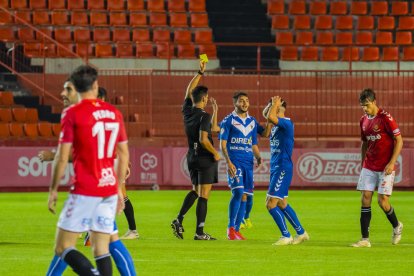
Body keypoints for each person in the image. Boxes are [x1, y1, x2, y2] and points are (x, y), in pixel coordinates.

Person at [45, 82, 136, 276]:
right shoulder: (111, 115)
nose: (63, 94)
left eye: (68, 90)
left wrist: (52, 158)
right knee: (107, 244)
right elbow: (122, 153)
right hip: (107, 188)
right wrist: (118, 186)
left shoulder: (80, 115)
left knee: (65, 244)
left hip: (89, 190)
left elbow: (70, 155)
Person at [171, 60, 221, 240]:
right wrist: (215, 153)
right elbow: (204, 139)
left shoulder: (187, 111)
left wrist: (199, 73)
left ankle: (179, 218)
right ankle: (199, 232)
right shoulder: (204, 116)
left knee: (195, 190)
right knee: (204, 195)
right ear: (205, 99)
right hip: (204, 157)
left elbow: (188, 90)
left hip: (191, 156)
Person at [351, 88, 403, 248]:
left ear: (374, 102)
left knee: (382, 201)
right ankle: (364, 239)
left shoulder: (385, 118)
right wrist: (362, 164)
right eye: (362, 106)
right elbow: (364, 143)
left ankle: (397, 226)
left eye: (367, 105)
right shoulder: (363, 120)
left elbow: (399, 140)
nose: (365, 109)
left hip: (385, 166)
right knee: (365, 198)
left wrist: (392, 162)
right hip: (369, 165)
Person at [262, 96, 309, 246]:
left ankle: (286, 235)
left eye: (273, 105)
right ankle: (301, 233)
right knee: (281, 203)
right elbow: (267, 115)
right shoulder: (276, 125)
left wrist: (275, 104)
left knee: (270, 204)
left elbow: (269, 115)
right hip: (276, 167)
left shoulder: (286, 123)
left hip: (282, 167)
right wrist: (272, 105)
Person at [220, 92, 262, 240]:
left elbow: (254, 143)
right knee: (238, 193)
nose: (244, 103)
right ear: (235, 103)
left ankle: (237, 230)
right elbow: (223, 143)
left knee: (245, 195)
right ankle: (230, 228)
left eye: (246, 101)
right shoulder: (229, 121)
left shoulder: (252, 122)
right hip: (235, 162)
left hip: (248, 163)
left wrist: (258, 156)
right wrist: (229, 162)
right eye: (241, 101)